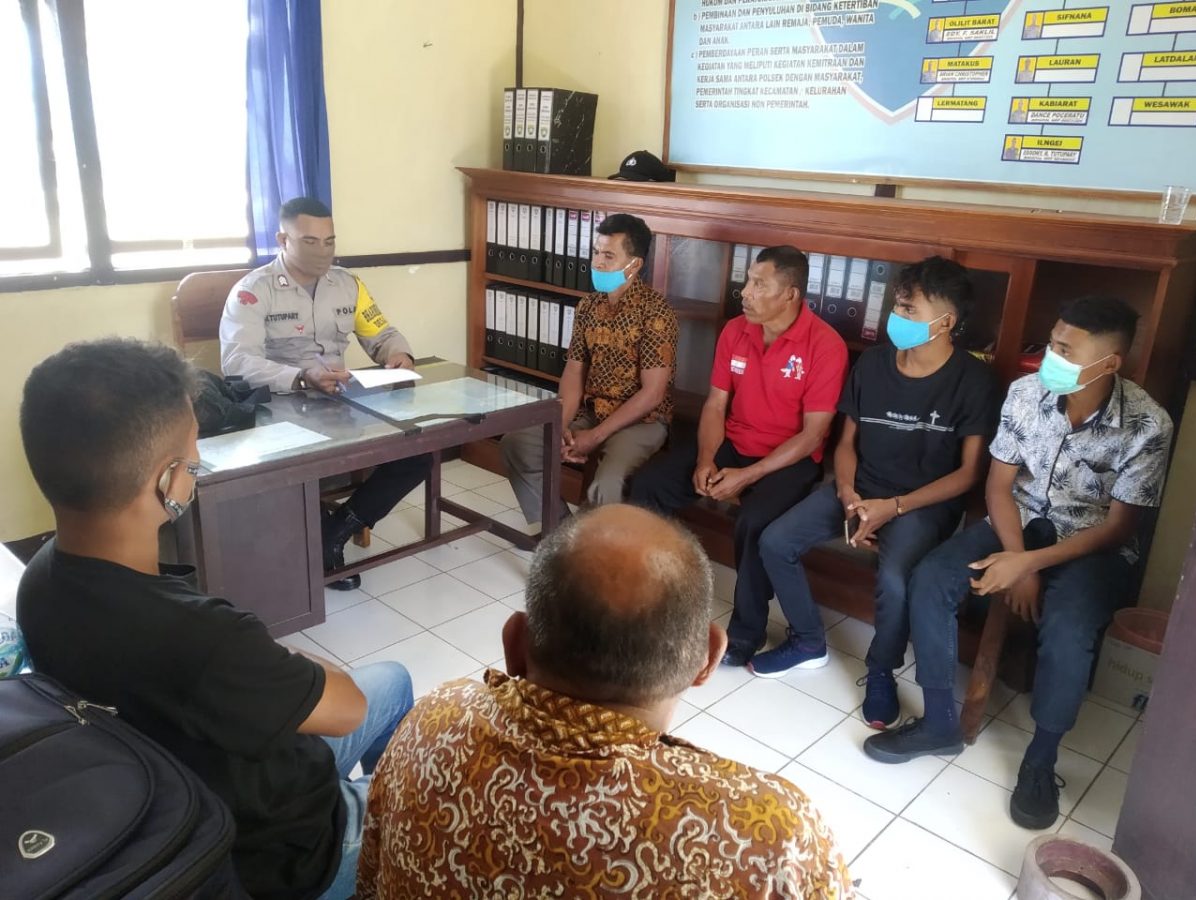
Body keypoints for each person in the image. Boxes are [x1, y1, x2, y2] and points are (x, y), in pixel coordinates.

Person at [16, 338, 414, 899]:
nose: (197, 462)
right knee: (421, 786)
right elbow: (347, 709)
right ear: (167, 482)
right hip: (282, 852)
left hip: (184, 790)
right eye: (193, 449)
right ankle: (382, 863)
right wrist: (265, 650)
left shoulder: (37, 580)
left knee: (392, 679)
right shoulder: (204, 638)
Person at [356, 504, 853, 898]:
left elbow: (371, 879)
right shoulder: (767, 835)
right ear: (707, 658)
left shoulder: (433, 718)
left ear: (514, 644)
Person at [864, 296, 1172, 831]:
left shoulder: (1148, 424)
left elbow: (1119, 527)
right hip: (1018, 519)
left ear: (1109, 363)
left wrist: (1026, 565)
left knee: (1070, 626)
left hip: (1091, 543)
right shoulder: (1026, 394)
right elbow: (999, 486)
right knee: (931, 578)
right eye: (1052, 343)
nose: (1051, 356)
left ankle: (1040, 760)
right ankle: (938, 723)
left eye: (1066, 350)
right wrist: (1018, 559)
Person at [754, 258, 997, 730]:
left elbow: (969, 474)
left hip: (922, 503)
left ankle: (881, 670)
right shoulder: (873, 363)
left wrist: (894, 508)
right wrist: (848, 493)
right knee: (775, 541)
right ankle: (807, 640)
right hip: (861, 489)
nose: (897, 317)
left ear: (946, 322)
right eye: (897, 306)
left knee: (895, 579)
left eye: (909, 309)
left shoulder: (973, 381)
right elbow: (846, 443)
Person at [630, 246, 849, 667]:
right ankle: (648, 592)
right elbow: (716, 404)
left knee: (754, 521)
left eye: (759, 284)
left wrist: (748, 476)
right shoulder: (736, 330)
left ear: (790, 294)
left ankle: (747, 630)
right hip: (733, 440)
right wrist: (706, 459)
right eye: (748, 281)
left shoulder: (825, 345)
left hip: (789, 458)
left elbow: (813, 435)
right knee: (649, 485)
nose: (745, 292)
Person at [219, 196, 431, 589]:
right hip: (279, 405)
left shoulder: (347, 284)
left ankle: (336, 529)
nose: (323, 251)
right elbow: (237, 362)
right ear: (283, 240)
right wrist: (301, 377)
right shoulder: (253, 291)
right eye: (310, 241)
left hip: (339, 399)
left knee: (419, 449)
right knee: (299, 463)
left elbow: (380, 333)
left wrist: (398, 354)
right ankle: (317, 540)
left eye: (329, 241)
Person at [501, 213, 678, 523]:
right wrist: (561, 426)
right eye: (596, 252)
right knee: (518, 444)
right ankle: (561, 532)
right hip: (592, 410)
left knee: (607, 483)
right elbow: (574, 372)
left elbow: (653, 394)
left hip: (642, 420)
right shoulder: (588, 306)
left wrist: (595, 437)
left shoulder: (656, 312)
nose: (597, 262)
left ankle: (597, 548)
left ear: (634, 264)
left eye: (608, 256)